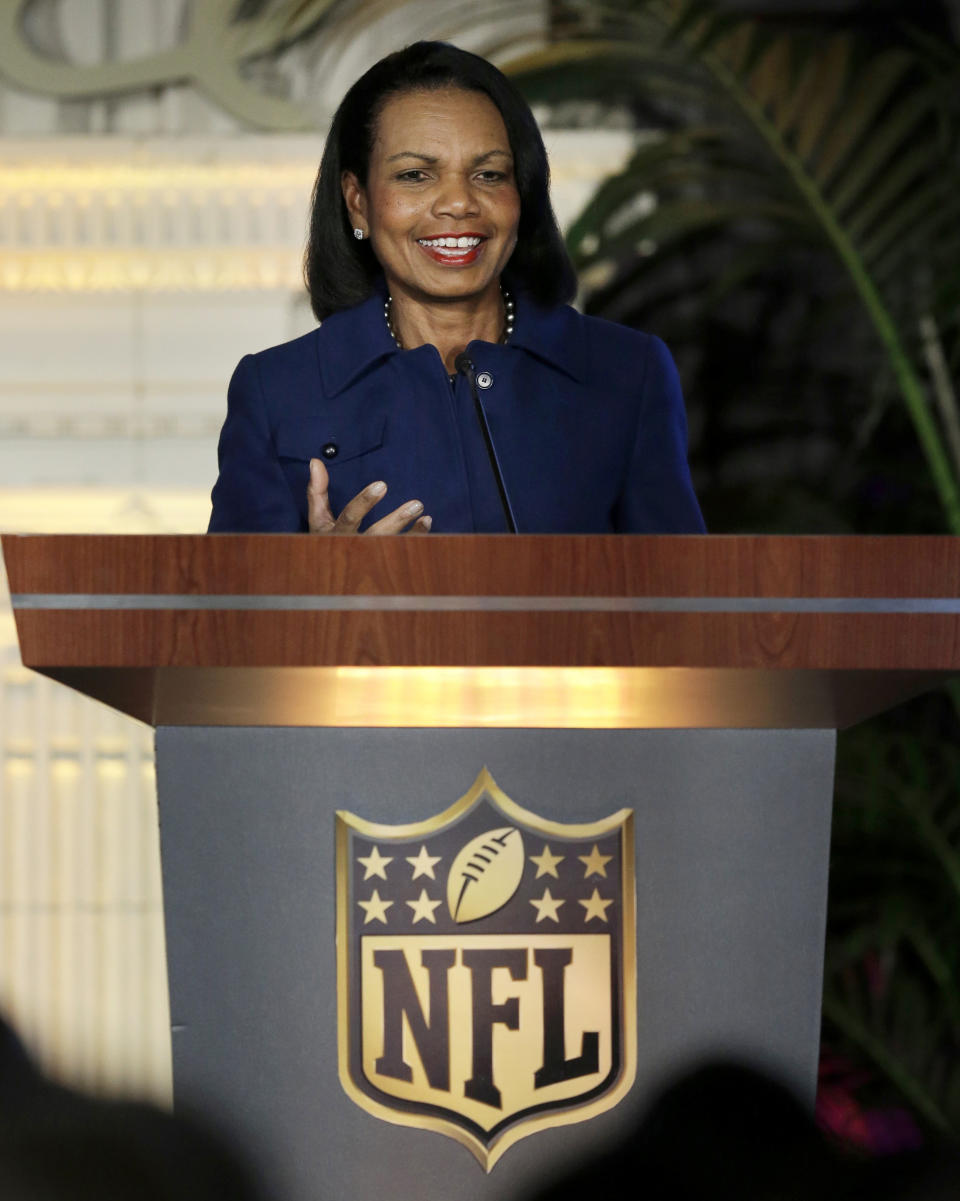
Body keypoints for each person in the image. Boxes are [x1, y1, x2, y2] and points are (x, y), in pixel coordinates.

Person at [208, 41, 705, 535]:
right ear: (357, 202)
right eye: (415, 175)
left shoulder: (626, 372)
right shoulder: (276, 392)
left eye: (489, 174)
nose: (459, 202)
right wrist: (320, 588)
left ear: (521, 194)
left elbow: (684, 602)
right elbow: (228, 609)